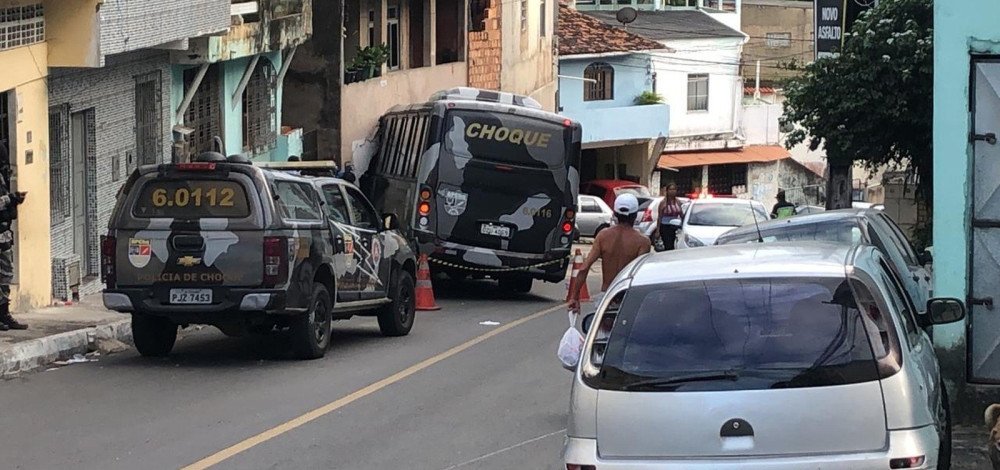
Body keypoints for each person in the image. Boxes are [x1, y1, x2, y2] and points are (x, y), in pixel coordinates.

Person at [568, 194, 651, 313]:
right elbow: (640, 276)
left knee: (601, 330)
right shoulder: (643, 242)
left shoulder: (603, 236)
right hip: (627, 298)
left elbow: (584, 268)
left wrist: (574, 297)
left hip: (607, 297)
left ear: (615, 214)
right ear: (635, 215)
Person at [0, 143, 26, 330]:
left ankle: (4, 314)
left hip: (4, 235)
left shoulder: (2, 177)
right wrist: (11, 199)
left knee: (6, 277)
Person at [654, 183, 683, 251]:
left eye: (674, 189)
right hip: (665, 227)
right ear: (667, 191)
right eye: (670, 189)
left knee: (674, 245)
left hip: (675, 227)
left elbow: (682, 214)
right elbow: (659, 217)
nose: (672, 191)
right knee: (668, 246)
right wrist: (657, 231)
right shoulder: (663, 203)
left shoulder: (678, 202)